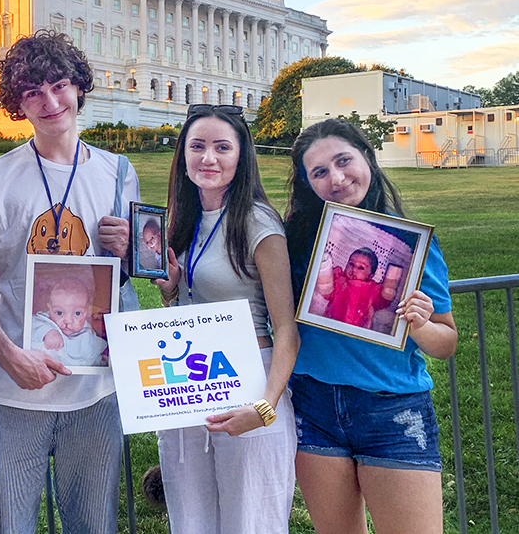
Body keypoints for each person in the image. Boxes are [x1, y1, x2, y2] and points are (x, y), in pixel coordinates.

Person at [0, 29, 140, 534]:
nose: (49, 101)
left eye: (59, 85)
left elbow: (129, 275)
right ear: (17, 105)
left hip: (95, 389)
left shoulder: (117, 173)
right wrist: (6, 354)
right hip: (12, 389)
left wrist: (130, 249)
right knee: (5, 524)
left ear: (79, 87)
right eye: (32, 92)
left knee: (95, 524)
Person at [285, 118, 457, 534]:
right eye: (320, 172)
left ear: (368, 157)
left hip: (393, 409)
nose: (337, 179)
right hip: (314, 405)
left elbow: (446, 340)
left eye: (344, 161)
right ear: (308, 183)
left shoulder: (414, 246)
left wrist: (418, 325)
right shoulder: (296, 241)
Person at [150, 103, 299, 534]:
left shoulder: (257, 222)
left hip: (248, 385)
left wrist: (266, 407)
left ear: (241, 155)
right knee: (191, 520)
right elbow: (193, 308)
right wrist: (173, 289)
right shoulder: (186, 220)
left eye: (221, 147)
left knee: (249, 522)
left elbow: (286, 330)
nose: (208, 158)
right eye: (197, 146)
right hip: (187, 383)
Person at [30, 276, 108, 366]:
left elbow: (92, 355)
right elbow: (30, 324)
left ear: (88, 311)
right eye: (59, 313)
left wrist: (100, 360)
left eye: (77, 313)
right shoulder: (45, 320)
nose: (68, 321)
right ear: (50, 308)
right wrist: (48, 331)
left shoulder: (87, 334)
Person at [316, 247, 400, 328]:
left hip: (358, 330)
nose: (354, 269)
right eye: (351, 264)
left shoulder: (372, 290)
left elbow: (384, 300)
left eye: (361, 268)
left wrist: (392, 279)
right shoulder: (340, 281)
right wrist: (324, 265)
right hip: (332, 325)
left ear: (371, 275)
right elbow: (326, 290)